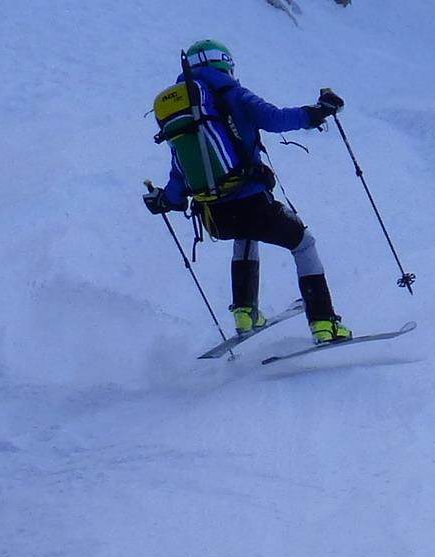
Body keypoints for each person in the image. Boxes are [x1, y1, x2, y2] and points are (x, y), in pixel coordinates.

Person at [144, 39, 351, 341]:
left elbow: (180, 172)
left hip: (214, 218)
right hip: (253, 205)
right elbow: (276, 119)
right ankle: (324, 323)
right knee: (303, 243)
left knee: (245, 236)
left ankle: (245, 313)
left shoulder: (184, 113)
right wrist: (319, 111)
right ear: (224, 65)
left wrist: (164, 200)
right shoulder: (232, 93)